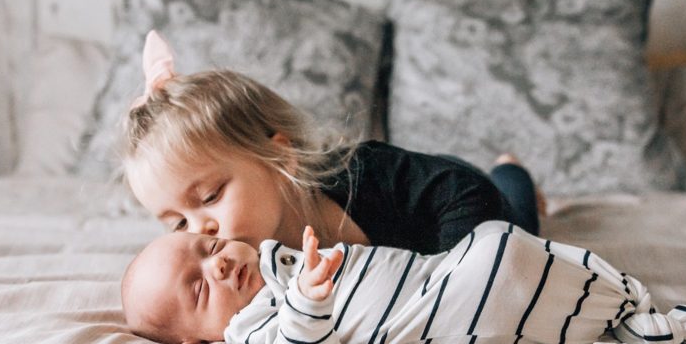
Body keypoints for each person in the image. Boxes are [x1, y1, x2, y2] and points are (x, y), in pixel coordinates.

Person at [121, 31, 542, 255]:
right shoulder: (238, 258)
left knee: (519, 224)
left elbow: (465, 194)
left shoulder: (368, 175)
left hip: (451, 194)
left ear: (279, 157)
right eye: (177, 224)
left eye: (210, 196)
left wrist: (453, 272)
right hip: (431, 189)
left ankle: (512, 169)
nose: (200, 229)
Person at [121, 221, 686, 344]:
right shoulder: (252, 327)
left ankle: (622, 311)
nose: (221, 262)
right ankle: (624, 323)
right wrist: (308, 297)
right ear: (192, 338)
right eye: (200, 286)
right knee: (502, 274)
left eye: (207, 245)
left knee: (501, 244)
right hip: (439, 311)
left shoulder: (275, 258)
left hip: (434, 273)